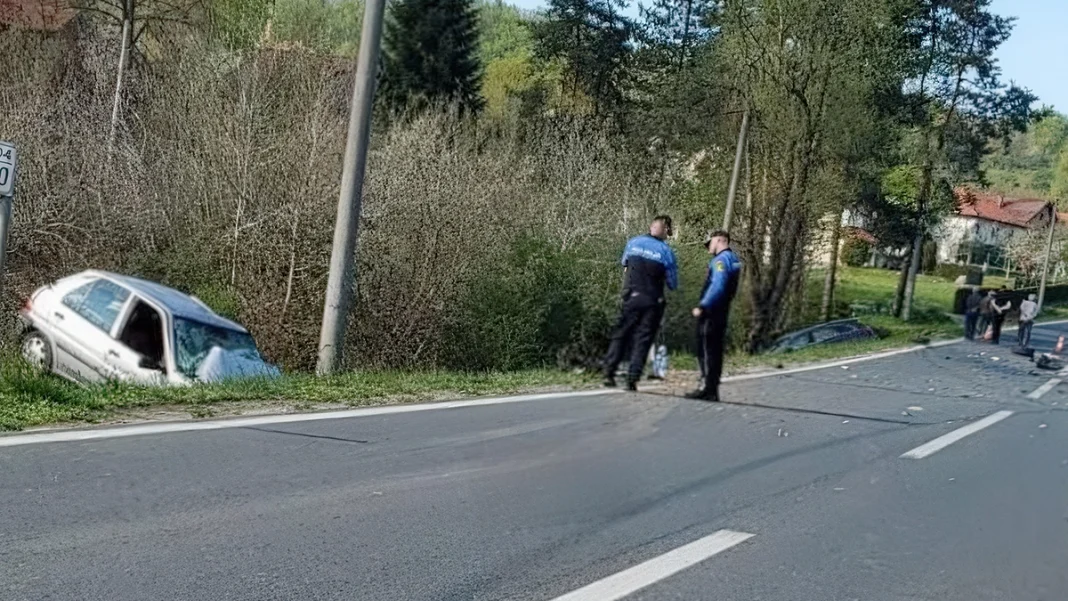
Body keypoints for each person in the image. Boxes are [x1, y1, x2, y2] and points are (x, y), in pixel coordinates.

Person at [602, 216, 679, 391]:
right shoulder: (666, 251)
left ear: (651, 227)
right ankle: (632, 378)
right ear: (666, 229)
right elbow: (672, 283)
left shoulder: (633, 243)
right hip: (652, 300)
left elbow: (624, 264)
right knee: (643, 339)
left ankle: (608, 373)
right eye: (669, 230)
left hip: (631, 297)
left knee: (621, 334)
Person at [686, 230, 742, 402]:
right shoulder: (734, 259)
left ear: (719, 240)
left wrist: (703, 306)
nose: (708, 247)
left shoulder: (720, 260)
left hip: (711, 312)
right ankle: (712, 389)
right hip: (722, 311)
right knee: (715, 351)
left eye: (709, 243)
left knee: (706, 349)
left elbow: (718, 285)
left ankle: (706, 388)